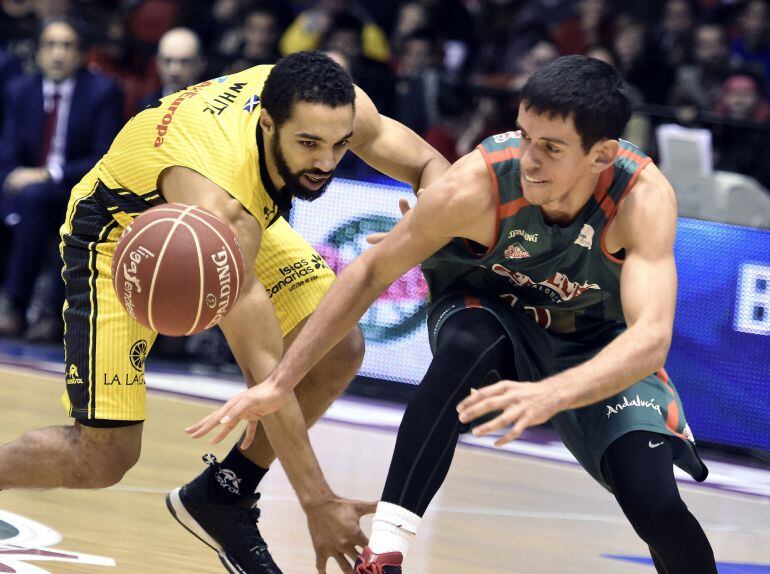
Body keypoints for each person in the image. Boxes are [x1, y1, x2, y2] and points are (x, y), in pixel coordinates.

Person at [189, 55, 718, 574]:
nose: (528, 158)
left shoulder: (642, 198)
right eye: (524, 135)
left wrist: (551, 393)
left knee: (653, 503)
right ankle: (384, 552)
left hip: (594, 339)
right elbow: (370, 272)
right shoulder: (479, 183)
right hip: (491, 305)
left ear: (601, 155)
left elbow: (651, 338)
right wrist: (281, 381)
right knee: (469, 344)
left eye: (551, 148)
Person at [0, 51, 449, 574]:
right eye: (308, 144)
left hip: (221, 219)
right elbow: (268, 374)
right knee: (102, 457)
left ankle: (224, 495)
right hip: (121, 234)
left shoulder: (333, 106)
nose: (327, 163)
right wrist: (317, 502)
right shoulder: (224, 206)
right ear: (268, 122)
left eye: (339, 145)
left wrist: (429, 216)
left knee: (338, 347)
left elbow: (428, 165)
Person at [0, 17, 123, 340]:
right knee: (33, 202)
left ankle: (28, 307)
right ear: (38, 51)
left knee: (58, 209)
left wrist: (49, 174)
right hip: (28, 192)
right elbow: (8, 152)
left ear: (81, 53)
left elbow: (103, 156)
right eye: (51, 45)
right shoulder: (20, 90)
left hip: (80, 189)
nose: (58, 54)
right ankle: (33, 311)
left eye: (67, 46)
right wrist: (12, 176)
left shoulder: (103, 91)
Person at [137, 27, 207, 110]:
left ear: (200, 63)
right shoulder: (147, 107)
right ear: (157, 63)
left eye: (184, 62)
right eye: (167, 61)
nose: (174, 71)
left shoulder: (212, 105)